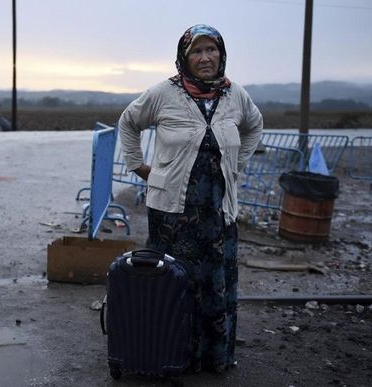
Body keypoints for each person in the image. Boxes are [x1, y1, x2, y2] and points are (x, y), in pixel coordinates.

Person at [118, 24, 263, 373]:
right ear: (185, 56)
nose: (205, 58)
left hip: (219, 213)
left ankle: (215, 357)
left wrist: (236, 166)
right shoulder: (164, 93)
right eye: (197, 51)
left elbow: (255, 126)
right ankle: (167, 353)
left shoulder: (235, 95)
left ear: (221, 54)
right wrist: (139, 166)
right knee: (172, 284)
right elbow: (128, 122)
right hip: (172, 215)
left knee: (216, 287)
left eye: (211, 50)